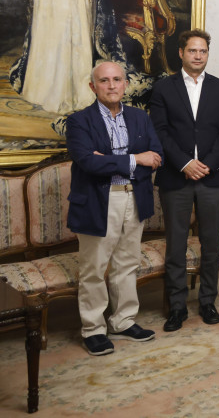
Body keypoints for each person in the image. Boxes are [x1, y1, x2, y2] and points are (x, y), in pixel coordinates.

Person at [65, 61, 162, 355]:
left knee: (127, 264)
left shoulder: (139, 117)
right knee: (94, 268)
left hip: (134, 197)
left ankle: (123, 321)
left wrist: (111, 159)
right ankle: (93, 329)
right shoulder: (79, 121)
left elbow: (157, 155)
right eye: (104, 81)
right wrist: (135, 159)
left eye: (117, 79)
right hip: (99, 201)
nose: (111, 85)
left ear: (125, 84)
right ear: (93, 87)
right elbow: (89, 162)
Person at [150, 29, 219, 332]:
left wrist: (207, 164)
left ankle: (208, 301)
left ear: (207, 54)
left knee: (211, 242)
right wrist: (185, 163)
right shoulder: (162, 88)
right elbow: (159, 131)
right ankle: (176, 307)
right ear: (181, 53)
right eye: (192, 51)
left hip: (212, 177)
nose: (198, 56)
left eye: (203, 51)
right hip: (176, 175)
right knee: (175, 244)